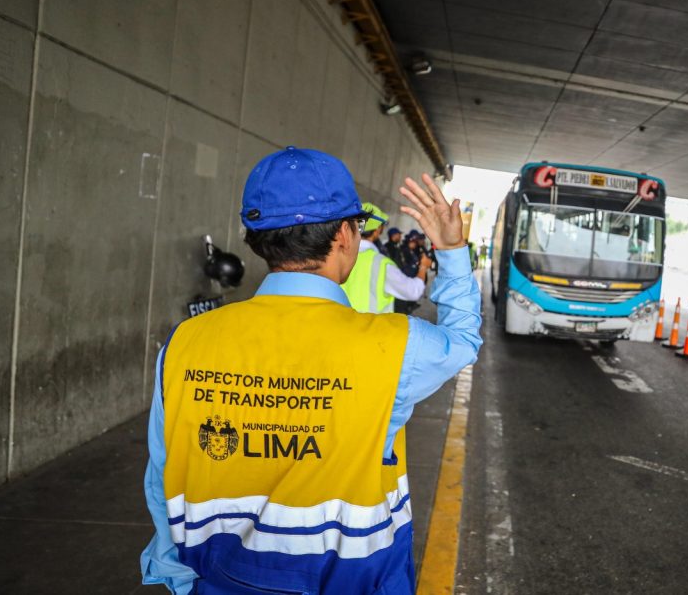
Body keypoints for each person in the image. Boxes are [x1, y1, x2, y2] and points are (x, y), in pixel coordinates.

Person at [140, 146, 482, 595]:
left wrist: (180, 578)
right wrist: (453, 250)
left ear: (256, 237)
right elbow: (463, 341)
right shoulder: (397, 345)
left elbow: (161, 475)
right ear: (344, 234)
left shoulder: (185, 342)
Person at [341, 201, 431, 313]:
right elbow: (413, 291)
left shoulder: (337, 255)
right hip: (370, 329)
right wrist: (423, 266)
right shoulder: (381, 264)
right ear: (377, 229)